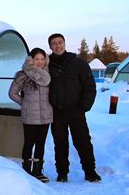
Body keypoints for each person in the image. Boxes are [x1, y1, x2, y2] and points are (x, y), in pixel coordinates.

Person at [47, 33, 101, 183]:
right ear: (50, 46)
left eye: (60, 42)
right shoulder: (47, 65)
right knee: (60, 142)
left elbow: (89, 86)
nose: (57, 46)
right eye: (54, 43)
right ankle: (62, 172)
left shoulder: (78, 64)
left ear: (64, 43)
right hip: (57, 111)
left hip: (76, 110)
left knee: (83, 141)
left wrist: (84, 106)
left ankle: (90, 171)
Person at [9, 48, 53, 183]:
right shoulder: (23, 75)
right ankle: (27, 171)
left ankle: (38, 171)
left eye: (42, 59)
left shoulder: (49, 74)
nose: (40, 62)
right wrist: (25, 103)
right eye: (36, 59)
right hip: (30, 116)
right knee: (29, 143)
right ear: (30, 60)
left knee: (41, 143)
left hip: (45, 115)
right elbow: (12, 93)